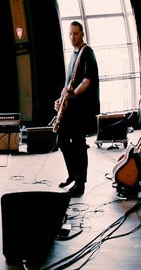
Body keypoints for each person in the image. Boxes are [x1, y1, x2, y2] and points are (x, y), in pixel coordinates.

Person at [54, 21, 100, 198]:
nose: (72, 37)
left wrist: (74, 94)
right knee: (61, 140)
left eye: (75, 33)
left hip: (82, 108)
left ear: (82, 34)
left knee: (79, 144)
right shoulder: (73, 55)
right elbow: (68, 85)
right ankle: (73, 174)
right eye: (70, 34)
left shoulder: (87, 52)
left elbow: (87, 80)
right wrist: (60, 100)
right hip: (70, 108)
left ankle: (80, 184)